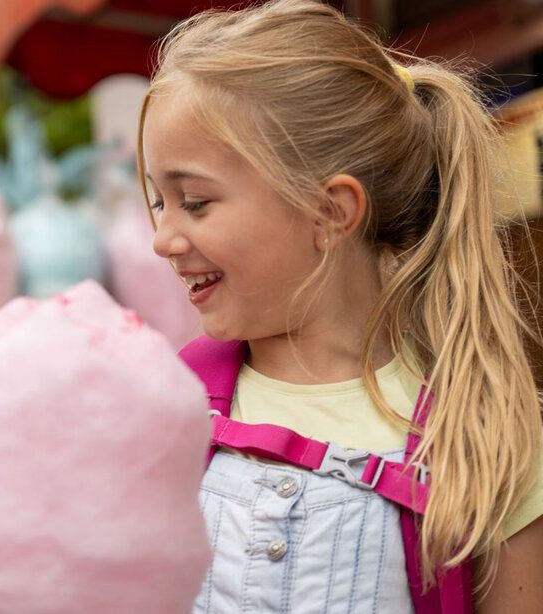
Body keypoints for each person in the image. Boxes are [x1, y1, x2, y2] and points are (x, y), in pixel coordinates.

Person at [138, 1, 543, 611]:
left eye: (193, 201)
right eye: (158, 201)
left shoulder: (488, 432)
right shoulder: (162, 404)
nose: (162, 239)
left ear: (331, 211)